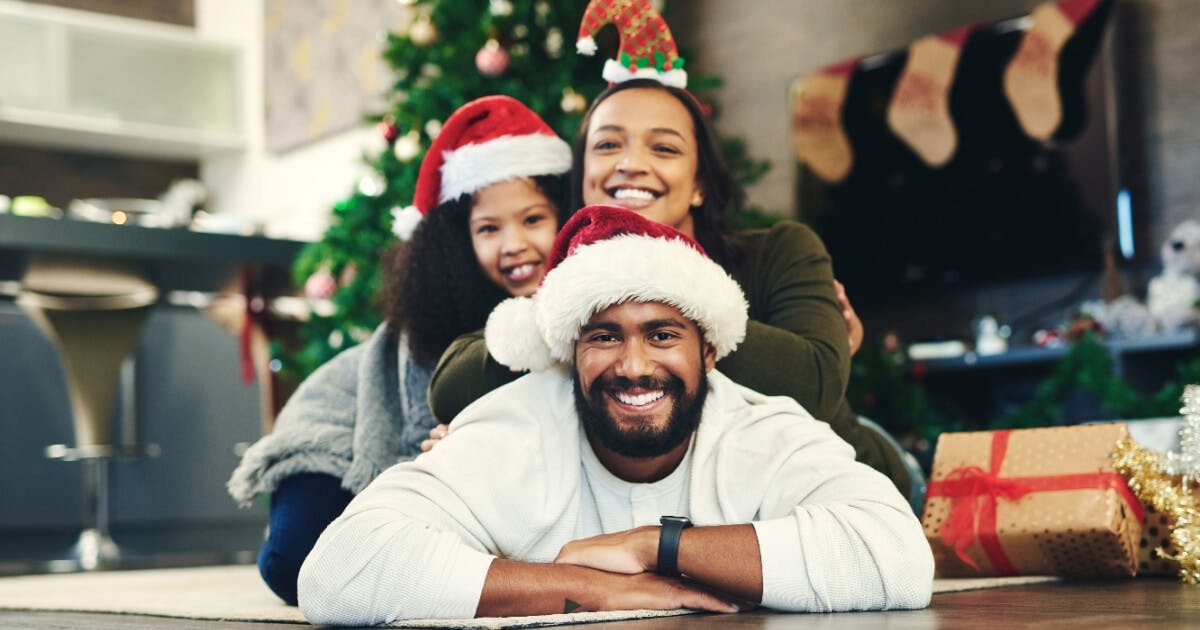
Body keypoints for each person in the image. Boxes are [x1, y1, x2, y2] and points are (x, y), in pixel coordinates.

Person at [297, 206, 933, 625]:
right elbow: (340, 570)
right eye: (603, 336)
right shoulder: (515, 422)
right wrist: (591, 589)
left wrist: (654, 547)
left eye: (661, 335)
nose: (633, 366)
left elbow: (901, 558)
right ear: (569, 353)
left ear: (709, 350)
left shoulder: (760, 426)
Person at [428, 81, 913, 494]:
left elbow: (817, 384)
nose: (631, 163)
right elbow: (452, 388)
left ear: (699, 183)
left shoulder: (780, 249)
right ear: (583, 181)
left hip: (856, 483)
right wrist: (564, 305)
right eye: (608, 145)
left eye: (663, 148)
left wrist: (654, 275)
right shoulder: (565, 273)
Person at [225, 95, 573, 605]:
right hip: (345, 427)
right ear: (460, 242)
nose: (514, 243)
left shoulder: (576, 310)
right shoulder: (440, 319)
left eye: (533, 219)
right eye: (489, 229)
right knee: (298, 565)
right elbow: (414, 433)